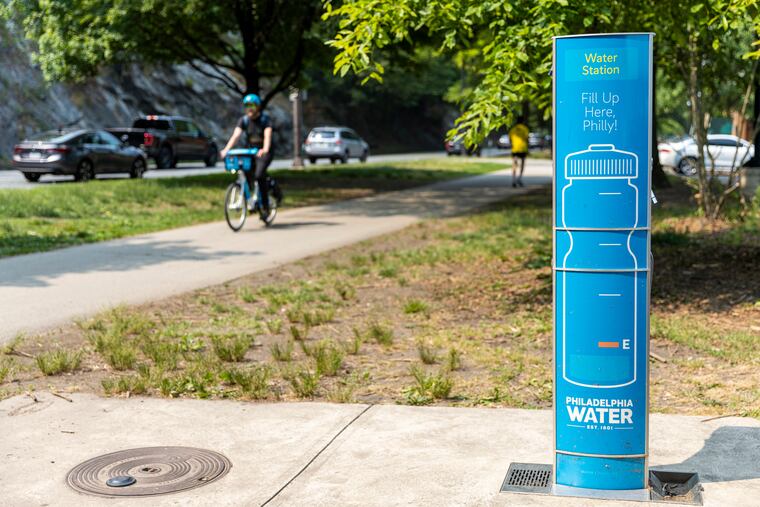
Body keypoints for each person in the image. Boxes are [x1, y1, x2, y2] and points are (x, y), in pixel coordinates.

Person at [220, 93, 274, 211]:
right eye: (247, 106)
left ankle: (265, 206)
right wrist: (226, 150)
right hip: (251, 152)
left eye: (252, 106)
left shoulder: (265, 120)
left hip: (264, 152)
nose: (249, 108)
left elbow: (267, 136)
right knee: (246, 172)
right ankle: (250, 201)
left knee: (259, 175)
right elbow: (235, 136)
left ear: (258, 107)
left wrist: (264, 149)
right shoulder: (243, 120)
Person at [508, 115, 529, 187]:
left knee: (514, 164)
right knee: (522, 164)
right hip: (523, 148)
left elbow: (510, 139)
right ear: (523, 121)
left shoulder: (513, 129)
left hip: (515, 149)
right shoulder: (525, 129)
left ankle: (513, 180)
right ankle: (519, 178)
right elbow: (527, 139)